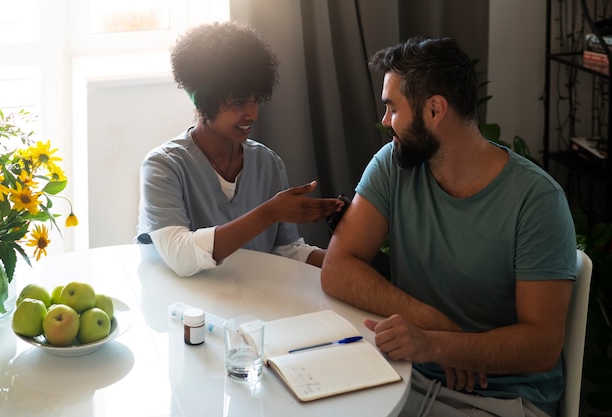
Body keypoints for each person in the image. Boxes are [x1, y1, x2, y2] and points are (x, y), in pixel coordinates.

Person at [321, 36, 577, 417]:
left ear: (435, 110)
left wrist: (436, 346)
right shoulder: (393, 164)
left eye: (392, 108)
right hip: (407, 375)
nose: (385, 121)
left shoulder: (537, 201)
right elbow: (338, 268)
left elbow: (542, 345)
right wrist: (434, 326)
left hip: (503, 398)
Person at [136, 21, 342, 276]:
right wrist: (268, 213)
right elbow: (180, 255)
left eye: (255, 100)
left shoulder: (268, 164)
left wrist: (346, 258)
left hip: (253, 308)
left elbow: (286, 252)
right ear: (203, 102)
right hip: (185, 312)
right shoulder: (163, 166)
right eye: (238, 103)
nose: (253, 113)